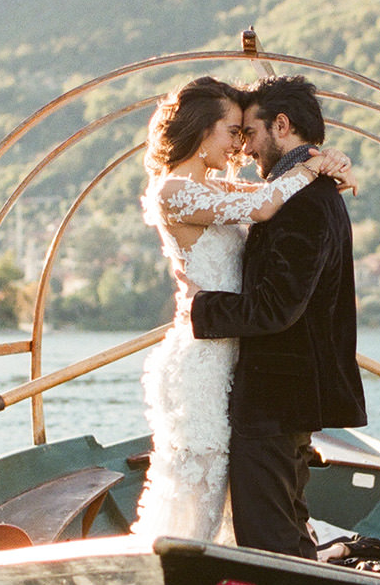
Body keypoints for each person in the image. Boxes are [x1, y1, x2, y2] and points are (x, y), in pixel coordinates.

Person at [132, 76, 353, 543]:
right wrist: (314, 166)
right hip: (206, 354)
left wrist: (323, 163)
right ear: (200, 130)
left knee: (235, 489)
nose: (240, 146)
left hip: (241, 358)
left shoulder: (222, 189)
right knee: (200, 477)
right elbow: (265, 204)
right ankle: (179, 572)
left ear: (280, 124)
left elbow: (262, 198)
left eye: (244, 132)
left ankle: (235, 580)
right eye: (232, 131)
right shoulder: (174, 190)